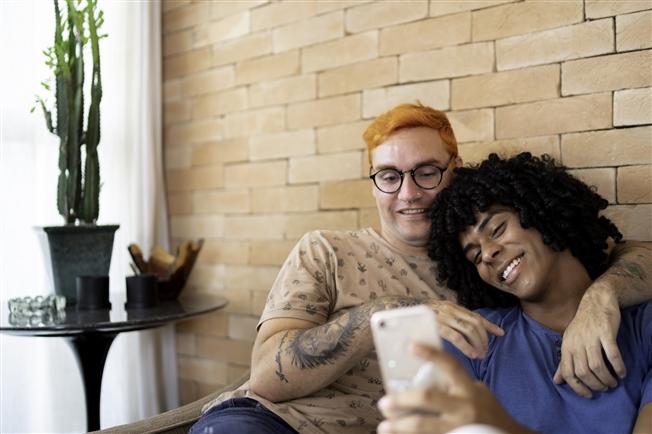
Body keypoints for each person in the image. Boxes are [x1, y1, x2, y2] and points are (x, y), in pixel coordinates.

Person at [189, 104, 652, 434]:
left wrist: (601, 298)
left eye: (426, 171)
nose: (407, 193)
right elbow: (267, 378)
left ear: (456, 169)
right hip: (270, 423)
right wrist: (387, 312)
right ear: (374, 184)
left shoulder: (484, 278)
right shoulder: (326, 250)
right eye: (389, 176)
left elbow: (625, 256)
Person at [377, 153, 651, 434]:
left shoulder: (644, 327)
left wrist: (502, 428)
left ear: (542, 211)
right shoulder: (475, 340)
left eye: (497, 229)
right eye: (474, 256)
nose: (487, 252)